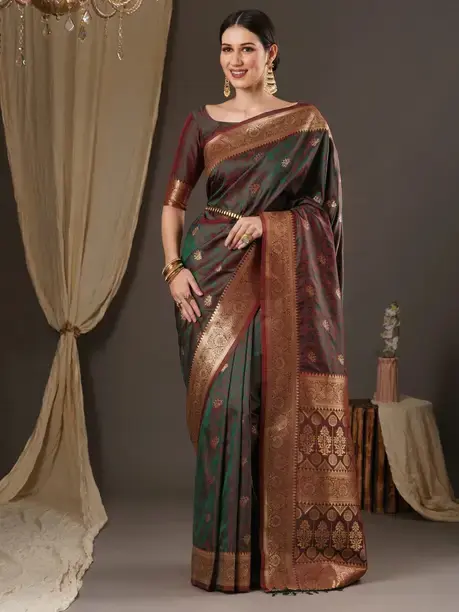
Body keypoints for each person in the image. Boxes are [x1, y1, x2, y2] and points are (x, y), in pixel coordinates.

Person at [160, 9, 367, 594]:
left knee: (263, 408)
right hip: (208, 276)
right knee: (223, 413)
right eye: (227, 49)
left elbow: (322, 213)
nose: (235, 60)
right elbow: (173, 205)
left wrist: (269, 225)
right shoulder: (201, 122)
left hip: (274, 277)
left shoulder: (305, 125)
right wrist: (173, 269)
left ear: (270, 54)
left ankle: (273, 555)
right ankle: (222, 560)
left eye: (247, 48)